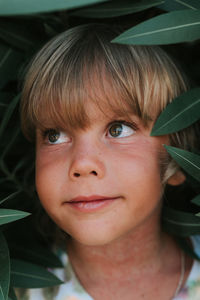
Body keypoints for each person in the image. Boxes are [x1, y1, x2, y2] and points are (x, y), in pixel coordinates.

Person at [18, 23, 200, 300]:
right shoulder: (18, 291)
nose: (82, 164)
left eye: (118, 129)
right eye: (54, 135)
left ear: (177, 156)